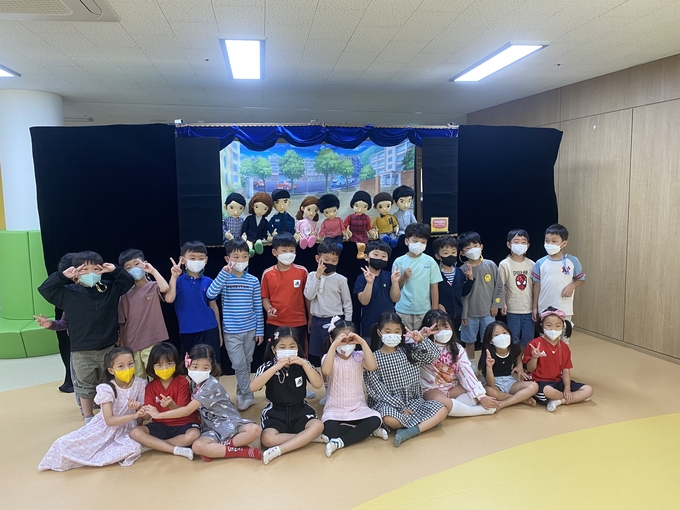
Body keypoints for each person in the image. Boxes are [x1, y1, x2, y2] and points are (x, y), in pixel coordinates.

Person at [38, 251, 134, 423]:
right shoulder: (68, 293)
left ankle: (110, 413)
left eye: (95, 269)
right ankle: (88, 416)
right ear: (76, 271)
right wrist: (62, 276)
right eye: (85, 269)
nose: (91, 273)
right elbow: (45, 289)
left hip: (108, 347)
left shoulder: (109, 289)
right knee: (85, 386)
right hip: (82, 350)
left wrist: (115, 270)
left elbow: (127, 282)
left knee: (109, 382)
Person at [145, 344, 262, 461]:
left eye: (205, 368)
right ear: (188, 364)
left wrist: (159, 415)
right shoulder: (193, 382)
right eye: (195, 367)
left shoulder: (210, 385)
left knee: (254, 430)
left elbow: (187, 410)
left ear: (212, 367)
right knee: (197, 447)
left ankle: (222, 449)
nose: (199, 371)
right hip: (210, 427)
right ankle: (241, 451)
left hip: (228, 421)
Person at [38, 347, 146, 471]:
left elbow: (142, 419)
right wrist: (133, 415)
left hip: (126, 429)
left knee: (133, 448)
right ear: (111, 370)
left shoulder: (141, 384)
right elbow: (109, 421)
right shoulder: (106, 388)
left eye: (130, 364)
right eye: (121, 366)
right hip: (104, 428)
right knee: (63, 444)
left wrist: (139, 409)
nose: (127, 369)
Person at [364, 312, 448, 447]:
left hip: (413, 401)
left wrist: (421, 340)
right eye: (388, 331)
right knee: (389, 419)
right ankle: (425, 422)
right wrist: (400, 406)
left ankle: (411, 431)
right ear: (379, 332)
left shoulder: (409, 351)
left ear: (402, 332)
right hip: (389, 403)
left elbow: (434, 355)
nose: (392, 335)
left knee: (443, 410)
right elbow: (378, 390)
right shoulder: (373, 358)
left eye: (397, 331)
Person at [250, 327, 325, 465]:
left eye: (292, 346)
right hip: (276, 412)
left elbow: (318, 384)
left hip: (300, 409)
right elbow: (253, 387)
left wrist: (304, 363)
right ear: (274, 350)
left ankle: (280, 450)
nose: (287, 350)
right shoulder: (268, 366)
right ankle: (307, 438)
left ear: (297, 348)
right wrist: (275, 367)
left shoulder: (303, 364)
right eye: (282, 347)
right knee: (267, 439)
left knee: (318, 425)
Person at [207, 239, 264, 411]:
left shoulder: (253, 281)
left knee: (247, 361)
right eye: (236, 257)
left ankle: (242, 393)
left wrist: (260, 331)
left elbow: (258, 307)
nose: (241, 260)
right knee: (238, 363)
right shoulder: (224, 279)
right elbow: (210, 293)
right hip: (231, 331)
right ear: (227, 259)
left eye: (244, 256)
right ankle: (247, 392)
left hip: (250, 329)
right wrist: (223, 273)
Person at [261, 233, 315, 399]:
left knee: (300, 357)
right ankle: (273, 389)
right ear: (274, 252)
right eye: (284, 250)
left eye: (292, 250)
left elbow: (308, 297)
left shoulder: (302, 271)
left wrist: (310, 318)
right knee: (274, 357)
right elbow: (265, 297)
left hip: (298, 322)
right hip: (275, 323)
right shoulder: (268, 274)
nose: (288, 253)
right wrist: (269, 308)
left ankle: (301, 387)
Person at [320, 318, 384, 457]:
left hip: (358, 407)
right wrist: (334, 345)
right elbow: (326, 371)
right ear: (332, 341)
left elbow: (372, 366)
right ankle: (365, 432)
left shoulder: (359, 356)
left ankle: (340, 442)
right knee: (328, 429)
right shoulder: (328, 357)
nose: (347, 344)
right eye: (342, 341)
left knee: (376, 419)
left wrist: (362, 342)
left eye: (350, 340)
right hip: (334, 409)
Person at [420, 310, 499, 417]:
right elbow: (408, 346)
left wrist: (481, 397)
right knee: (441, 402)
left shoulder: (457, 348)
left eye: (446, 327)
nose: (442, 331)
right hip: (432, 389)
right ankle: (475, 411)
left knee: (477, 393)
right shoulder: (422, 346)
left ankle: (453, 408)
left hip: (453, 387)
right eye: (436, 329)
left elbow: (466, 372)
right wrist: (421, 336)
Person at [129, 343, 200, 459]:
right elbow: (148, 416)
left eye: (169, 363)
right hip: (161, 425)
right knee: (135, 432)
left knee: (193, 435)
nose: (165, 368)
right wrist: (139, 409)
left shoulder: (182, 382)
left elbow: (183, 411)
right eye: (159, 365)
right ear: (152, 366)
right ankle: (175, 448)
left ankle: (155, 445)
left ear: (176, 363)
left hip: (184, 423)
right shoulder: (150, 387)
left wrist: (171, 405)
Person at [524, 307, 594, 412]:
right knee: (548, 391)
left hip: (557, 381)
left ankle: (558, 401)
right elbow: (530, 369)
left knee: (588, 389)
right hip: (540, 382)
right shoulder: (534, 344)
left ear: (563, 326)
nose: (553, 329)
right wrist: (534, 358)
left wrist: (567, 389)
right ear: (541, 325)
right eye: (548, 325)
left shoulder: (564, 347)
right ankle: (572, 397)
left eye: (558, 326)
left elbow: (566, 370)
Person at [165, 241, 222, 362]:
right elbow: (169, 299)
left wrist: (219, 332)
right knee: (190, 365)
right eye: (192, 258)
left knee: (213, 364)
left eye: (201, 258)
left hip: (210, 329)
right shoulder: (177, 281)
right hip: (188, 331)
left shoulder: (209, 281)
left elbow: (213, 306)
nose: (197, 261)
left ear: (206, 260)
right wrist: (174, 277)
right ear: (182, 260)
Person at [118, 248, 170, 379]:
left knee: (155, 378)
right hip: (131, 343)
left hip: (151, 340)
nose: (133, 269)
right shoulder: (124, 294)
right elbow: (122, 323)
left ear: (145, 263)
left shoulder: (153, 286)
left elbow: (165, 287)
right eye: (128, 267)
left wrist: (152, 270)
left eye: (137, 264)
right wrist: (123, 344)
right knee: (137, 380)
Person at [531, 224, 586, 343]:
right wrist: (535, 307)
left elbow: (581, 279)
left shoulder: (572, 261)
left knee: (564, 340)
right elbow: (536, 285)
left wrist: (572, 286)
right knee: (545, 340)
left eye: (554, 241)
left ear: (564, 243)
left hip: (564, 308)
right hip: (544, 308)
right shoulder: (540, 263)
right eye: (547, 241)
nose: (549, 244)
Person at [304, 239, 353, 368]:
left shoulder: (341, 280)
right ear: (317, 258)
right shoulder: (312, 276)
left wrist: (347, 324)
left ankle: (336, 377)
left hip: (334, 321)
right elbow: (309, 295)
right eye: (326, 259)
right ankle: (325, 378)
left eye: (334, 260)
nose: (330, 263)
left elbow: (347, 303)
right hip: (317, 320)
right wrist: (317, 277)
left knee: (335, 352)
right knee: (321, 353)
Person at [458, 231, 504, 365]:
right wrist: (463, 314)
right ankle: (471, 365)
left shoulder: (490, 265)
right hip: (470, 314)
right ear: (462, 253)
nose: (473, 250)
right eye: (468, 248)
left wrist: (496, 305)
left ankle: (485, 364)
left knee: (489, 339)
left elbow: (499, 286)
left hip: (488, 312)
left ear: (481, 247)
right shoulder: (462, 270)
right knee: (469, 340)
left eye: (475, 246)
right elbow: (462, 294)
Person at [34, 252, 77, 394]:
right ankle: (71, 381)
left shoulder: (95, 288)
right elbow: (44, 289)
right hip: (75, 335)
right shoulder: (65, 292)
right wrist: (62, 276)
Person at [392, 223, 442, 331]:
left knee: (423, 339)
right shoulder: (399, 261)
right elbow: (396, 287)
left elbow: (434, 287)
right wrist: (404, 277)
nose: (419, 244)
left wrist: (434, 312)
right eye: (415, 241)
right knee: (405, 338)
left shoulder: (430, 261)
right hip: (403, 310)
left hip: (424, 310)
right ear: (407, 241)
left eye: (423, 242)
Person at [478, 321, 539, 409]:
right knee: (489, 391)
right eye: (496, 335)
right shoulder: (488, 355)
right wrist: (489, 367)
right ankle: (521, 399)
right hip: (494, 383)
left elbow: (518, 354)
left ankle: (503, 404)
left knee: (534, 386)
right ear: (490, 341)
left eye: (504, 333)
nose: (502, 337)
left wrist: (519, 365)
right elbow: (490, 383)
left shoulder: (513, 348)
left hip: (509, 381)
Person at [354, 240, 401, 342]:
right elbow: (364, 301)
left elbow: (396, 299)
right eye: (375, 255)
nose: (379, 258)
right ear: (366, 257)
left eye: (384, 256)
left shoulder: (389, 276)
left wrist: (395, 282)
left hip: (389, 325)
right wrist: (369, 283)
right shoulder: (361, 278)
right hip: (369, 326)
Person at [499, 229, 535, 353]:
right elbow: (501, 285)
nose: (520, 245)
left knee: (528, 338)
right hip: (513, 308)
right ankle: (516, 360)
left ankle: (523, 359)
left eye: (523, 242)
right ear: (509, 244)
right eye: (516, 241)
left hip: (528, 309)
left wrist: (535, 306)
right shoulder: (504, 264)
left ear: (528, 245)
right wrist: (503, 303)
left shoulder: (532, 264)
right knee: (513, 337)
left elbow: (535, 286)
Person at [432, 235, 474, 334]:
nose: (450, 255)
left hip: (457, 314)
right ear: (438, 256)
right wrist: (437, 305)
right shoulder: (435, 273)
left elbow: (463, 292)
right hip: (441, 314)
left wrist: (470, 279)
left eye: (453, 252)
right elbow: (430, 292)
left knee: (456, 338)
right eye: (446, 253)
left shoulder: (459, 272)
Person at [344, 190, 374, 258]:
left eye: (364, 207)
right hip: (354, 235)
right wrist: (347, 231)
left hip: (363, 236)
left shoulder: (366, 218)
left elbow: (368, 228)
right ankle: (360, 251)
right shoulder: (350, 217)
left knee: (365, 244)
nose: (360, 210)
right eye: (357, 206)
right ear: (353, 205)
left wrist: (372, 234)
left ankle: (362, 251)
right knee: (358, 244)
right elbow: (345, 226)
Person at [243, 192, 274, 256]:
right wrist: (243, 234)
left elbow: (265, 232)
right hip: (249, 237)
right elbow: (245, 227)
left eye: (265, 209)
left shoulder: (265, 221)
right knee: (249, 243)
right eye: (257, 207)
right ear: (252, 206)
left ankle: (258, 247)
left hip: (259, 238)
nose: (260, 211)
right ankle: (250, 250)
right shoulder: (249, 219)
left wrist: (267, 237)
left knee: (259, 242)